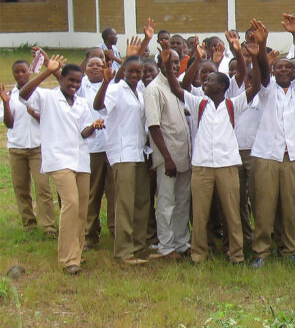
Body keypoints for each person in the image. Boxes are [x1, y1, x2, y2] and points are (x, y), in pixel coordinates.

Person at [159, 23, 263, 264]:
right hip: (203, 166)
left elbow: (256, 86)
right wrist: (167, 64)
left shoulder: (232, 104)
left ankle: (236, 255)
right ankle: (198, 254)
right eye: (205, 80)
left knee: (232, 214)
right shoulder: (199, 103)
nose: (205, 82)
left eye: (211, 80)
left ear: (223, 87)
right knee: (201, 214)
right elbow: (176, 87)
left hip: (227, 166)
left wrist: (255, 60)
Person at [19, 56, 105, 275]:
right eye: (70, 81)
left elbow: (83, 132)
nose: (74, 85)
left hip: (80, 159)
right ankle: (68, 259)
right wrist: (47, 71)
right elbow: (23, 95)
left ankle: (76, 252)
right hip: (59, 159)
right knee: (71, 203)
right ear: (61, 79)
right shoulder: (47, 97)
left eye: (78, 82)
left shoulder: (81, 102)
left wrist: (94, 125)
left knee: (81, 209)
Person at [249, 12, 295, 268]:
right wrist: (262, 47)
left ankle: (289, 249)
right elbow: (262, 73)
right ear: (274, 71)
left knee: (290, 205)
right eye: (280, 68)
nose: (284, 71)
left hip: (293, 156)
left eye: (289, 68)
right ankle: (261, 251)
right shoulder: (266, 90)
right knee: (264, 207)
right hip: (267, 155)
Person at [144, 40, 202, 261]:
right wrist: (167, 158)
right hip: (167, 157)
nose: (175, 65)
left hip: (183, 155)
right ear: (160, 62)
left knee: (182, 201)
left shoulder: (175, 86)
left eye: (178, 61)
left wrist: (196, 59)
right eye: (170, 61)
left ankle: (181, 242)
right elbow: (154, 126)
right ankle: (166, 247)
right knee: (167, 203)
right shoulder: (154, 90)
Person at [94, 54, 150, 265]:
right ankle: (124, 252)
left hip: (139, 152)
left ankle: (138, 245)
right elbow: (99, 106)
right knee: (125, 202)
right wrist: (107, 81)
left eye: (139, 71)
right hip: (122, 153)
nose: (135, 75)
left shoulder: (142, 92)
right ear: (124, 71)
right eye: (131, 71)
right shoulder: (116, 90)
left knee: (142, 201)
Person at [2, 59, 56, 237]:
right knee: (21, 188)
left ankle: (48, 225)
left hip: (38, 148)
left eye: (23, 71)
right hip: (17, 148)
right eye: (16, 72)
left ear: (29, 72)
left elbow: (48, 120)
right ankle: (29, 224)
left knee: (43, 187)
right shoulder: (9, 95)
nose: (20, 75)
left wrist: (34, 113)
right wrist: (6, 103)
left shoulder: (41, 94)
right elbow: (9, 124)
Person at [78, 54, 115, 249]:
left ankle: (116, 230)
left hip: (112, 147)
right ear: (85, 68)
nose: (95, 68)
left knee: (114, 193)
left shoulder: (113, 84)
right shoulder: (81, 86)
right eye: (91, 65)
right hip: (92, 148)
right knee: (93, 193)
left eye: (99, 65)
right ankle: (90, 234)